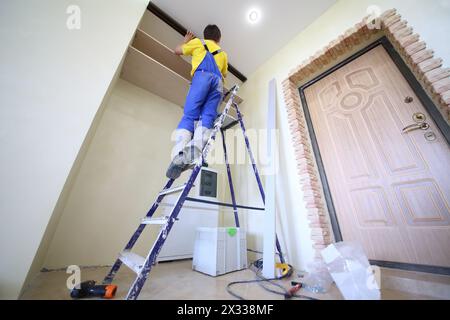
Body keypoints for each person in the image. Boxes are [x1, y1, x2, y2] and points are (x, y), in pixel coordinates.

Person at [166, 24, 228, 179]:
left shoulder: (199, 43)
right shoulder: (223, 54)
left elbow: (177, 51)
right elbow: (224, 74)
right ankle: (195, 149)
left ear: (205, 35)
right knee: (207, 117)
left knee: (190, 115)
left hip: (202, 77)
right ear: (218, 39)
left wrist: (186, 41)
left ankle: (179, 155)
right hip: (218, 83)